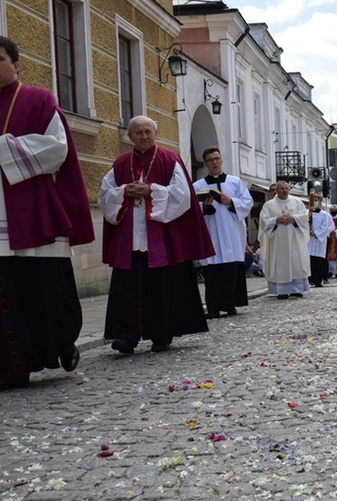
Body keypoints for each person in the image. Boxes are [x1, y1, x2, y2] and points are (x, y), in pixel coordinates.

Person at [0, 36, 95, 390]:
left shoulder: (39, 99)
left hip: (33, 209)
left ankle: (60, 343)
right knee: (6, 292)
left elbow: (57, 148)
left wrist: (3, 149)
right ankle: (13, 366)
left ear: (16, 63)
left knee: (47, 287)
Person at [99, 116, 214, 354]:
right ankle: (125, 336)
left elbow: (182, 195)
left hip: (161, 237)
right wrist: (124, 191)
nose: (144, 136)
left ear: (155, 133)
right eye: (138, 133)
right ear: (130, 136)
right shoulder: (120, 163)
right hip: (130, 238)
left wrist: (151, 190)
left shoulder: (170, 159)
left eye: (147, 132)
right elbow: (105, 195)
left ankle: (162, 334)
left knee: (162, 286)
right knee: (126, 288)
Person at [193, 147, 254, 319]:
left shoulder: (235, 182)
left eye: (216, 158)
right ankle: (213, 307)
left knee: (230, 268)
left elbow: (247, 203)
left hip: (232, 232)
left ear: (221, 160)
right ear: (205, 164)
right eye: (210, 160)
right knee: (212, 271)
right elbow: (191, 208)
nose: (214, 162)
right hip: (211, 232)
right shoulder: (198, 186)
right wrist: (204, 206)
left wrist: (231, 201)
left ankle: (230, 305)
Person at [258, 180, 311, 299]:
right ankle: (281, 291)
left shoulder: (297, 202)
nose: (285, 191)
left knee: (296, 261)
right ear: (276, 190)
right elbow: (263, 221)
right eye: (282, 188)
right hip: (277, 241)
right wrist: (275, 220)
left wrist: (293, 219)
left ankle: (296, 289)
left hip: (294, 239)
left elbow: (304, 217)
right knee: (279, 263)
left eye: (287, 188)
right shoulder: (269, 205)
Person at [308, 194, 334, 287]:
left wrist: (316, 233)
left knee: (319, 260)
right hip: (309, 240)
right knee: (310, 259)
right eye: (312, 201)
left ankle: (318, 280)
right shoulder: (307, 213)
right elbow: (302, 224)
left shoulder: (325, 215)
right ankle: (310, 279)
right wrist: (308, 230)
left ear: (320, 202)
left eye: (316, 200)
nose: (314, 202)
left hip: (319, 240)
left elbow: (326, 226)